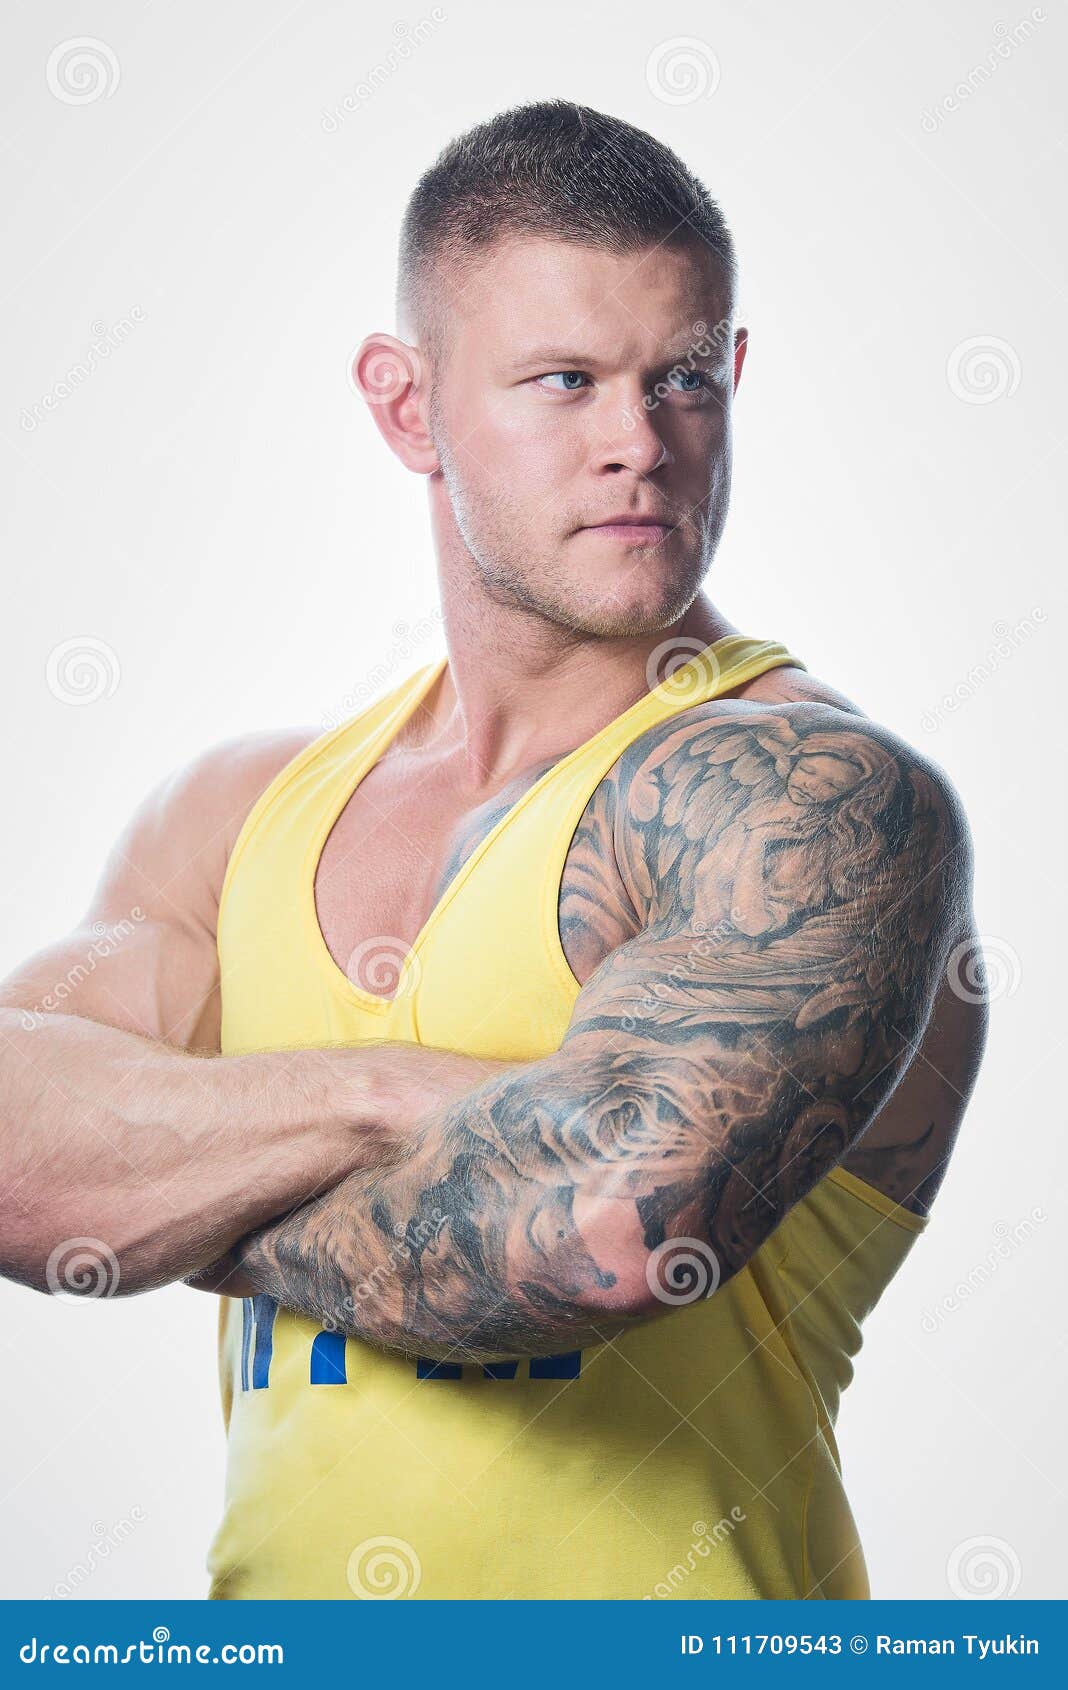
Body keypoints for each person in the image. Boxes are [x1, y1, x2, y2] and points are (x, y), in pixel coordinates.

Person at [0, 100, 987, 1601]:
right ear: (409, 407)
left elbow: (593, 1238)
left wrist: (153, 1185)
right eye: (564, 381)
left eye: (682, 378)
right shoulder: (239, 814)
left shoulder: (813, 799)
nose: (638, 444)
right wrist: (395, 1095)